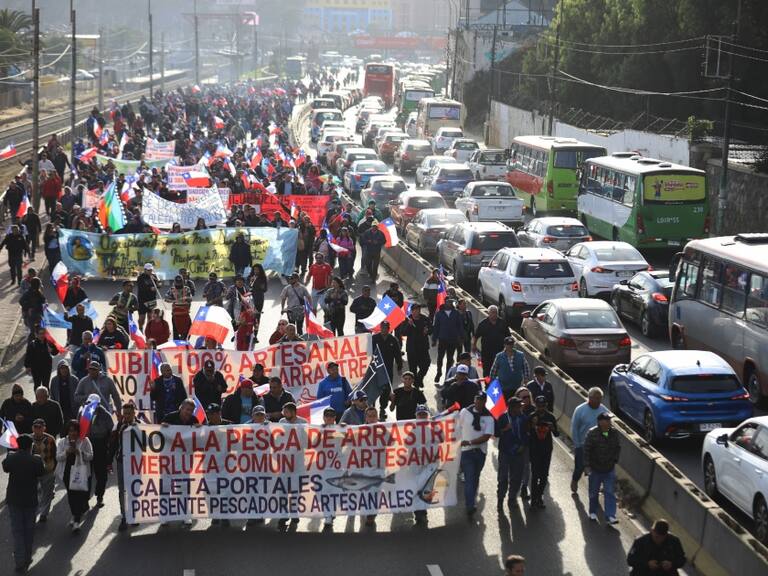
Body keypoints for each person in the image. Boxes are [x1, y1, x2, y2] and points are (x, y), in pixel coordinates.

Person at [3, 434, 45, 573]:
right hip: (30, 500)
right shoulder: (36, 460)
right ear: (30, 446)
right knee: (29, 530)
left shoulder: (11, 458)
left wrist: (11, 454)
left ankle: (19, 561)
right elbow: (41, 472)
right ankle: (27, 558)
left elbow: (5, 467)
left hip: (14, 499)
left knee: (17, 531)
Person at [458, 392, 494, 517]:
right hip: (466, 452)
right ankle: (470, 505)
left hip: (480, 452)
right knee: (469, 478)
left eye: (481, 400)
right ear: (474, 399)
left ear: (485, 402)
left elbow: (486, 436)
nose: (478, 401)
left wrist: (470, 442)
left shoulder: (489, 417)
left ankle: (471, 499)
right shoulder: (465, 412)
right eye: (476, 399)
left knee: (475, 477)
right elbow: (457, 426)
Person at [56, 420, 93, 532]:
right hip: (67, 473)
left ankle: (76, 521)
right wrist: (66, 452)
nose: (73, 433)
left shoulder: (85, 440)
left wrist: (80, 452)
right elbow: (58, 457)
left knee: (80, 496)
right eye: (71, 431)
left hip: (81, 472)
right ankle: (75, 515)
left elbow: (91, 456)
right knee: (71, 496)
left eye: (75, 431)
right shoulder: (62, 442)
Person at [570, 387, 609, 494]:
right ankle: (575, 480)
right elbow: (574, 428)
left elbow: (606, 429)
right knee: (579, 467)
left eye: (600, 398)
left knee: (596, 470)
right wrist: (577, 445)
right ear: (589, 398)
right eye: (596, 398)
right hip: (582, 445)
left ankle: (594, 490)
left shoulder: (604, 411)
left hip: (597, 447)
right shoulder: (580, 410)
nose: (598, 400)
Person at [584, 412, 621, 524]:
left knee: (609, 492)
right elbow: (586, 451)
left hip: (609, 468)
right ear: (601, 422)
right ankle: (593, 512)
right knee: (593, 492)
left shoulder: (614, 433)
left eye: (610, 420)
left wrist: (615, 460)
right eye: (607, 420)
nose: (610, 422)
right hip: (595, 469)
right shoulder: (592, 433)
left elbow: (618, 448)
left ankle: (610, 516)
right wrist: (586, 466)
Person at [108, 402, 138, 531]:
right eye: (124, 413)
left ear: (134, 413)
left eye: (129, 414)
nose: (126, 416)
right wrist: (109, 462)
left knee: (134, 489)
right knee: (122, 490)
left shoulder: (141, 425)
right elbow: (113, 444)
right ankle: (124, 517)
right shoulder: (118, 426)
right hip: (121, 462)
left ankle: (133, 514)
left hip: (136, 463)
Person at [495, 397, 529, 509]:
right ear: (512, 408)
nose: (521, 408)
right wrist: (505, 429)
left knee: (517, 478)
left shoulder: (523, 418)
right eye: (519, 406)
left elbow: (527, 435)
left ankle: (512, 498)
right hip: (505, 452)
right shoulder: (503, 418)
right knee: (503, 477)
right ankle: (500, 500)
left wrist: (523, 446)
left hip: (519, 453)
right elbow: (496, 433)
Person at [82, 393, 114, 508]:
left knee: (101, 474)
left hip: (101, 446)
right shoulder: (83, 412)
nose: (90, 406)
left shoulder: (105, 415)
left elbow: (112, 432)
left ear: (98, 404)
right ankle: (85, 499)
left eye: (93, 404)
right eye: (89, 403)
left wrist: (110, 447)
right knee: (86, 474)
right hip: (86, 445)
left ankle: (100, 496)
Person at [528, 395, 558, 509]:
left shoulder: (550, 417)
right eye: (539, 406)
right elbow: (527, 432)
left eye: (543, 406)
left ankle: (539, 496)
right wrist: (532, 425)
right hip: (535, 449)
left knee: (544, 476)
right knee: (535, 475)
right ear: (535, 405)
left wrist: (552, 428)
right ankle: (533, 500)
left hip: (546, 450)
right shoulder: (532, 416)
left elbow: (556, 434)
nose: (541, 408)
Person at [372, 321, 402, 419]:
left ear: (389, 329)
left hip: (387, 370)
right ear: (380, 328)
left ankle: (382, 409)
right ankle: (371, 409)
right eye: (382, 327)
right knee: (374, 388)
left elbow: (397, 354)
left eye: (386, 328)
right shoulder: (374, 338)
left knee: (385, 390)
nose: (384, 329)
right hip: (375, 369)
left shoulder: (393, 340)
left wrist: (399, 366)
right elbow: (368, 352)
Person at [30, 418, 57, 523]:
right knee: (35, 493)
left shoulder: (50, 439)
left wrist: (55, 468)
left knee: (47, 493)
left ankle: (44, 514)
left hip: (48, 470)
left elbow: (55, 454)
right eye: (35, 427)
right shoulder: (28, 438)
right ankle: (34, 512)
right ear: (32, 427)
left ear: (44, 428)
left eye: (40, 427)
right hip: (33, 472)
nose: (37, 429)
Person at [472, 305, 510, 378]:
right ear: (488, 313)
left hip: (499, 351)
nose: (494, 314)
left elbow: (508, 336)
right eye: (492, 312)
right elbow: (476, 336)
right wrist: (474, 345)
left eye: (495, 312)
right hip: (486, 351)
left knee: (499, 369)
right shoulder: (483, 324)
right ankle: (487, 385)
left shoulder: (502, 323)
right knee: (486, 369)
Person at [431, 298, 462, 382]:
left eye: (451, 302)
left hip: (453, 340)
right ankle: (439, 372)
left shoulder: (456, 313)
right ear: (445, 302)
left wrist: (460, 338)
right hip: (442, 339)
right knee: (440, 357)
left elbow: (460, 327)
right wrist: (434, 339)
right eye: (448, 302)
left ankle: (447, 375)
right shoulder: (439, 314)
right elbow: (436, 327)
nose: (449, 303)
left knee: (450, 358)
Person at [401, 303, 431, 388]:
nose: (416, 312)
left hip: (423, 348)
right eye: (414, 310)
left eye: (418, 310)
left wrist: (427, 331)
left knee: (426, 364)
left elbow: (431, 329)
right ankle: (416, 387)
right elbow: (402, 332)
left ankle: (419, 378)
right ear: (412, 311)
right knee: (412, 370)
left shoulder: (425, 319)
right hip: (412, 349)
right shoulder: (407, 319)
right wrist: (408, 325)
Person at [165, 275, 193, 340]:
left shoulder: (186, 288)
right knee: (176, 332)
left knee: (189, 329)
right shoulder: (172, 289)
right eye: (177, 282)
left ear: (182, 282)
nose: (178, 284)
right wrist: (173, 300)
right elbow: (166, 298)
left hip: (185, 314)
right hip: (176, 314)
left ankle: (185, 340)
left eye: (180, 282)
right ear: (175, 282)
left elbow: (190, 298)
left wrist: (186, 298)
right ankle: (177, 344)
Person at [135, 263, 159, 330]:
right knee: (142, 318)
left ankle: (149, 330)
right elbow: (142, 287)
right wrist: (150, 288)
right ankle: (140, 328)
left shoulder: (154, 276)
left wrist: (158, 284)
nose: (150, 272)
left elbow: (158, 285)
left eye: (151, 270)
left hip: (151, 299)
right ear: (145, 270)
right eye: (148, 270)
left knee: (150, 317)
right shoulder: (140, 277)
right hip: (142, 300)